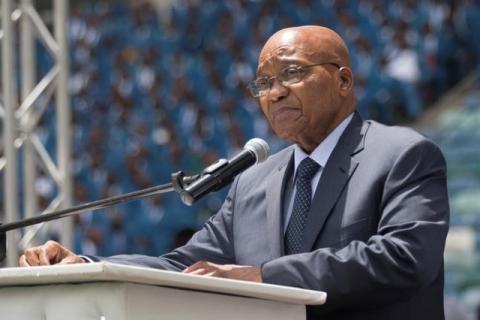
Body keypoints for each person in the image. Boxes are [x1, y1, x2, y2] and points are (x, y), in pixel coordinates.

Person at [19, 26, 449, 319]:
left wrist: (265, 277)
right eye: (263, 83)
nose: (275, 92)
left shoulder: (402, 155)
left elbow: (405, 258)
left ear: (343, 80)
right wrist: (92, 265)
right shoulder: (253, 183)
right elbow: (181, 267)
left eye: (293, 73)